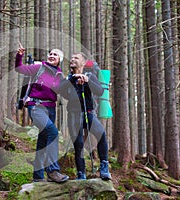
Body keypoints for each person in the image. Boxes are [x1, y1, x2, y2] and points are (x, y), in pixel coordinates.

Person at [15, 43, 69, 183]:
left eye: (55, 55)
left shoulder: (60, 75)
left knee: (43, 141)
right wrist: (19, 55)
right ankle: (52, 171)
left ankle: (38, 176)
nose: (51, 56)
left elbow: (64, 92)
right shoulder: (39, 67)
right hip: (36, 107)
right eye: (50, 54)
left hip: (51, 109)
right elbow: (19, 68)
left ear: (59, 60)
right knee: (53, 133)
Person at [59, 52, 111, 180]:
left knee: (101, 135)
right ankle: (81, 173)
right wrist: (72, 79)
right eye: (71, 58)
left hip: (89, 113)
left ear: (83, 62)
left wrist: (87, 82)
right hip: (73, 115)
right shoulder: (67, 79)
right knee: (78, 144)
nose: (72, 59)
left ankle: (104, 167)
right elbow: (60, 90)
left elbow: (99, 91)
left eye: (76, 58)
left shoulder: (90, 76)